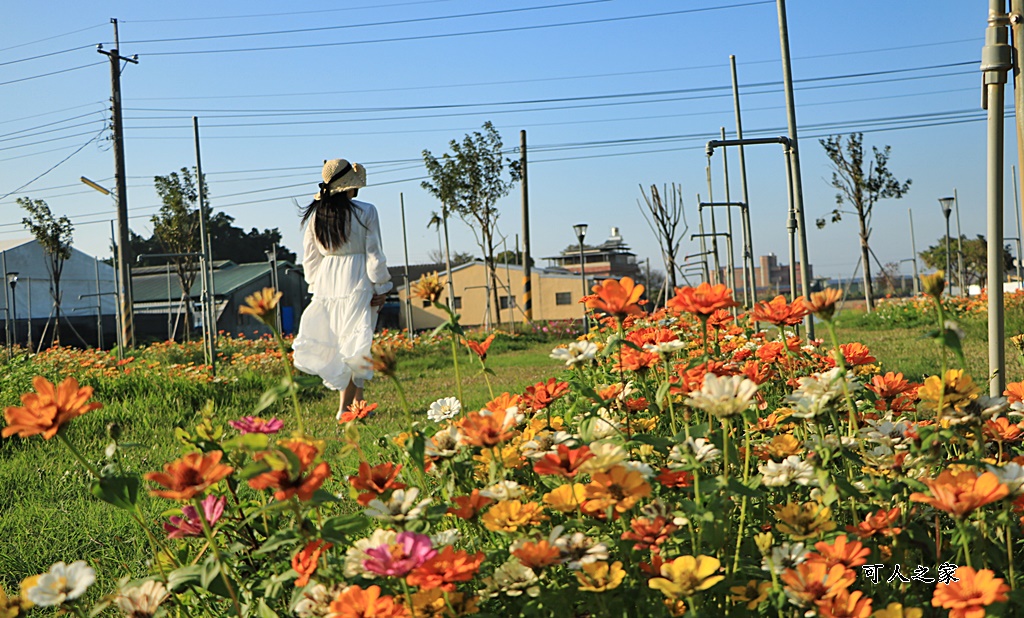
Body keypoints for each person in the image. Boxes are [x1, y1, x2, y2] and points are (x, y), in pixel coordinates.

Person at [292, 159, 392, 417]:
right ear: (350, 185)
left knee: (346, 344)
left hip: (327, 281)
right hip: (358, 278)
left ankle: (358, 407)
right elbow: (374, 253)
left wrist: (316, 287)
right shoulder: (366, 211)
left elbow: (310, 258)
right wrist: (382, 284)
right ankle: (344, 410)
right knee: (356, 343)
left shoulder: (316, 216)